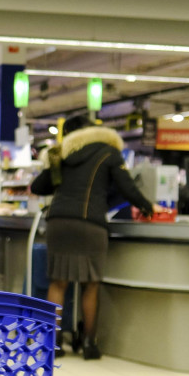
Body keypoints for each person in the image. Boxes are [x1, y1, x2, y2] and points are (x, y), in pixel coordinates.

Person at [30, 116, 162, 360]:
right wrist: (149, 207)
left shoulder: (63, 153)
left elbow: (38, 186)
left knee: (58, 283)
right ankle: (90, 344)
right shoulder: (108, 152)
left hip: (59, 222)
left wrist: (56, 171)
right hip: (90, 223)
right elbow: (127, 187)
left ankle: (53, 343)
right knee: (90, 285)